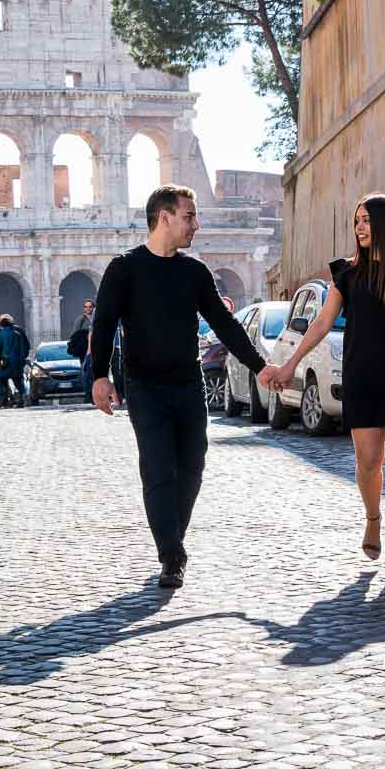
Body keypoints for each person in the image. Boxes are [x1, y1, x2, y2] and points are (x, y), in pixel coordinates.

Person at [260, 193, 385, 581]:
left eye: (366, 220)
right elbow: (323, 323)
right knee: (368, 462)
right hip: (362, 376)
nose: (359, 227)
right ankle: (373, 518)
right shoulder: (346, 273)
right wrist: (290, 364)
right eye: (356, 220)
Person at [91, 184, 266, 589]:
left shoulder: (194, 272)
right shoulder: (124, 268)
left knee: (192, 468)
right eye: (189, 216)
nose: (196, 224)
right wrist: (100, 376)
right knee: (157, 471)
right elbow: (103, 326)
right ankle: (171, 555)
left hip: (189, 386)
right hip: (144, 389)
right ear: (164, 217)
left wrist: (260, 366)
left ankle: (173, 538)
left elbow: (225, 325)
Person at [0, 314, 28, 408]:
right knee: (18, 382)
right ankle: (22, 399)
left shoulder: (0, 334)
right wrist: (22, 359)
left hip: (4, 362)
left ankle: (6, 401)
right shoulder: (17, 334)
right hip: (16, 362)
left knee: (3, 381)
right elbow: (22, 349)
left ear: (1, 324)